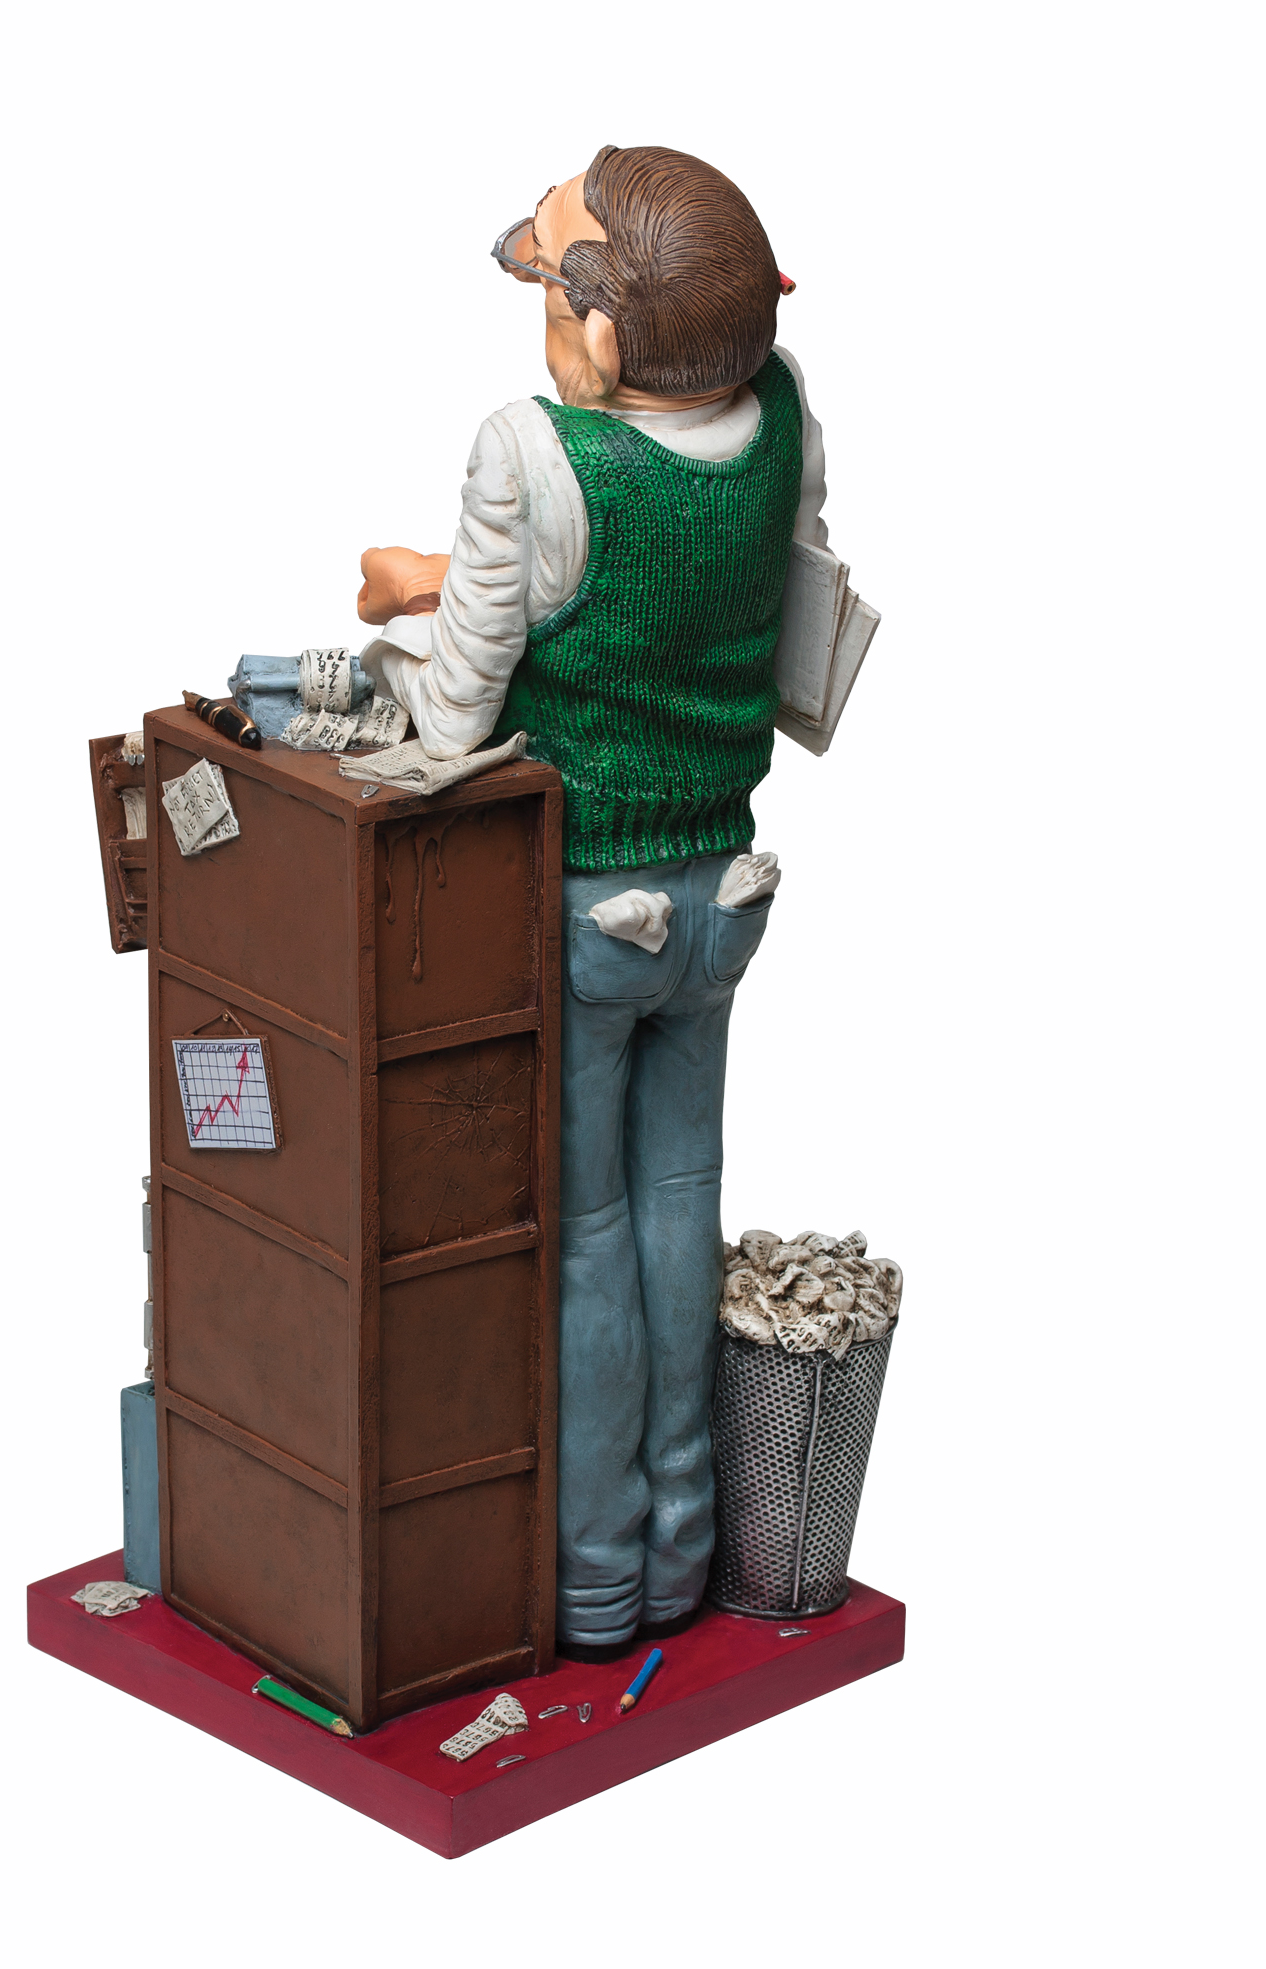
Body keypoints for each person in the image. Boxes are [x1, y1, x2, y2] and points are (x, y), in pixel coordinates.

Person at [356, 145, 830, 1658]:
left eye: (548, 283)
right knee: (685, 1202)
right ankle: (686, 1554)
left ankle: (599, 1585)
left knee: (589, 1234)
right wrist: (452, 575)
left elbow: (453, 720)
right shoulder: (782, 411)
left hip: (588, 915)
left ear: (605, 336)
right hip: (723, 893)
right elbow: (714, 590)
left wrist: (397, 631)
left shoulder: (532, 451)